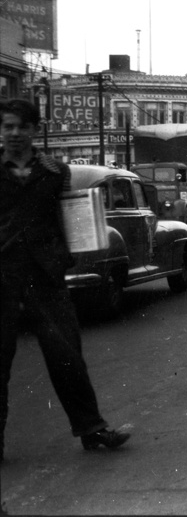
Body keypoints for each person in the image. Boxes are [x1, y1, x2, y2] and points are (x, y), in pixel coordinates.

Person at [1, 99, 130, 461]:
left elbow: (70, 220)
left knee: (67, 356)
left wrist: (64, 259)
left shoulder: (56, 171)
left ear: (34, 130)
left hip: (46, 280)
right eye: (7, 126)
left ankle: (92, 429)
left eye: (21, 127)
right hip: (2, 278)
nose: (13, 133)